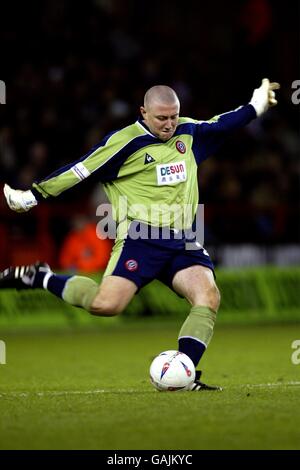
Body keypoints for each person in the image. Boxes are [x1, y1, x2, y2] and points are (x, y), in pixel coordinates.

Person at [0, 78, 279, 391]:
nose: (169, 124)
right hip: (140, 239)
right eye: (162, 118)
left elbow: (221, 125)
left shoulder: (187, 133)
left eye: (174, 116)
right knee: (106, 306)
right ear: (143, 112)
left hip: (182, 240)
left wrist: (255, 106)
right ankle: (42, 277)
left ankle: (184, 374)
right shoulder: (124, 142)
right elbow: (80, 170)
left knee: (208, 296)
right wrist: (32, 196)